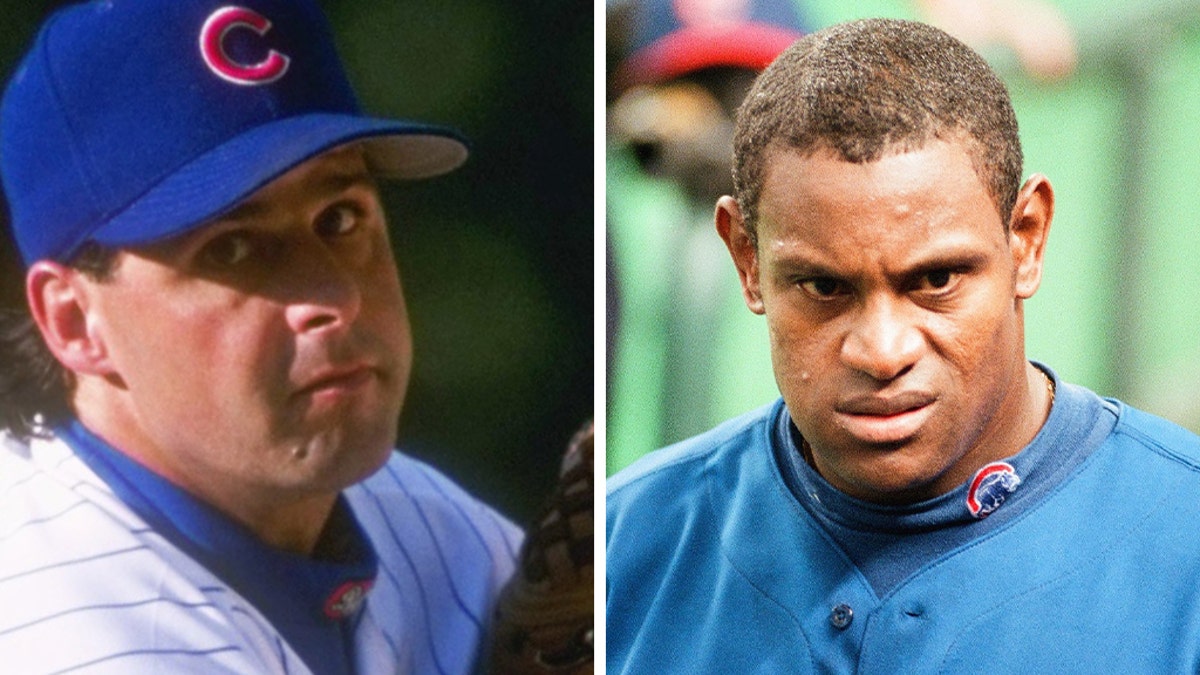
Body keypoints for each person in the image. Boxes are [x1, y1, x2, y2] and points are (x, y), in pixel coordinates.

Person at [606, 17, 1200, 673]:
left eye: (937, 280)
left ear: (1026, 238)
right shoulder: (622, 547)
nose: (882, 352)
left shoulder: (1183, 539)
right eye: (823, 286)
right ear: (747, 260)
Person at [0, 1, 522, 673]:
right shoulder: (58, 622)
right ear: (75, 321)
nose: (336, 298)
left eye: (339, 218)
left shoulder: (439, 523)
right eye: (234, 248)